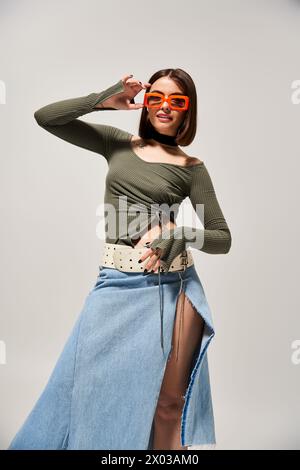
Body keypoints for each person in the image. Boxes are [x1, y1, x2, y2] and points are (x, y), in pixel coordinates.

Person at [8, 69, 232, 450]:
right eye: (156, 97)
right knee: (80, 392)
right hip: (115, 283)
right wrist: (104, 98)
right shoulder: (118, 143)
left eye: (177, 100)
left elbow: (221, 238)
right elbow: (45, 117)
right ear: (145, 103)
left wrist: (181, 234)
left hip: (171, 290)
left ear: (187, 111)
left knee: (168, 405)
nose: (165, 106)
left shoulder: (192, 168)